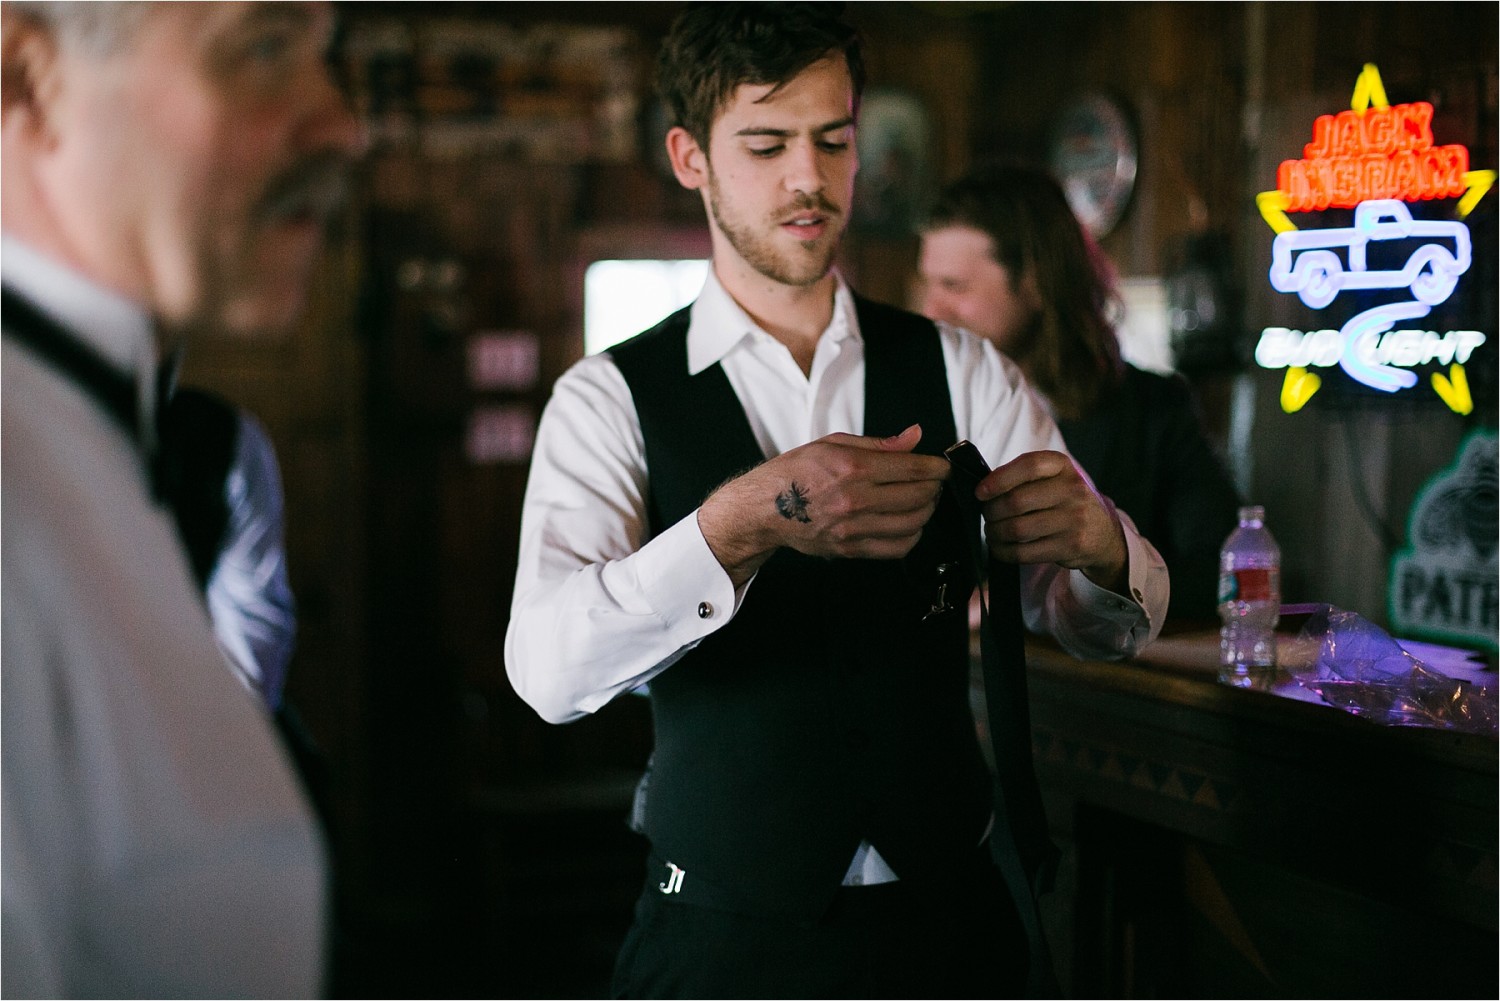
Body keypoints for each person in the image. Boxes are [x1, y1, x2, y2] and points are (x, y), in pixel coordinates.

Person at [505, 4, 1168, 998]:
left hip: (951, 930)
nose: (809, 179)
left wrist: (1103, 546)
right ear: (691, 157)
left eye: (834, 140)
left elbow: (1096, 625)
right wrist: (739, 522)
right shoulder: (607, 399)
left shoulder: (963, 368)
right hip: (718, 937)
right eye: (766, 145)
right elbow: (550, 673)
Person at [1, 2, 363, 996]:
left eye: (321, 55)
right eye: (262, 47)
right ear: (30, 82)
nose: (341, 121)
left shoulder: (96, 432)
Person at [919, 158, 1242, 622]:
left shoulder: (1151, 409)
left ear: (1035, 284)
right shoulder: (920, 404)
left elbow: (1227, 572)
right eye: (927, 283)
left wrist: (1108, 567)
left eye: (955, 286)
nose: (932, 308)